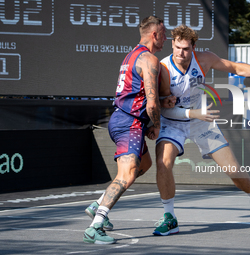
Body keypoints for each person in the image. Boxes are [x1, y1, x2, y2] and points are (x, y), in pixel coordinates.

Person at [152, 25, 250, 236]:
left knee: (233, 170)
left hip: (202, 120)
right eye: (176, 47)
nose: (179, 53)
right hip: (174, 120)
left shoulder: (204, 59)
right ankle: (170, 217)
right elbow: (163, 107)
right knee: (163, 163)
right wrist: (192, 113)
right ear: (172, 43)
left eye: (185, 49)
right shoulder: (163, 68)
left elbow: (235, 67)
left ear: (193, 47)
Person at [82, 16, 174, 245]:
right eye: (164, 33)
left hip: (124, 120)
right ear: (154, 34)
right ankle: (95, 227)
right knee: (128, 174)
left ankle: (98, 205)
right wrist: (157, 125)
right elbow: (152, 103)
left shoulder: (131, 55)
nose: (166, 37)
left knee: (145, 165)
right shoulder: (150, 59)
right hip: (130, 123)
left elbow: (141, 95)